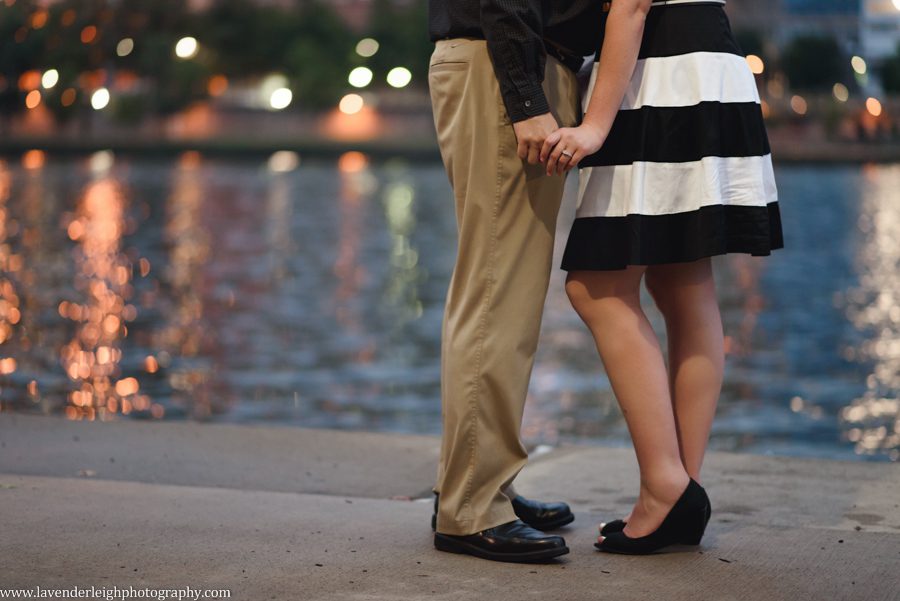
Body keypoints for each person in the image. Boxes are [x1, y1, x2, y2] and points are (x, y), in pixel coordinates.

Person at [541, 0, 783, 554]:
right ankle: (676, 491)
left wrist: (596, 124)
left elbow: (629, 5)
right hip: (705, 60)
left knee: (597, 286)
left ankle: (667, 486)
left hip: (660, 69)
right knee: (684, 283)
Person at [426, 0, 603, 562]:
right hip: (507, 66)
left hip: (508, 61)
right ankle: (472, 507)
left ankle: (480, 481)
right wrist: (526, 97)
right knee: (498, 293)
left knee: (497, 289)